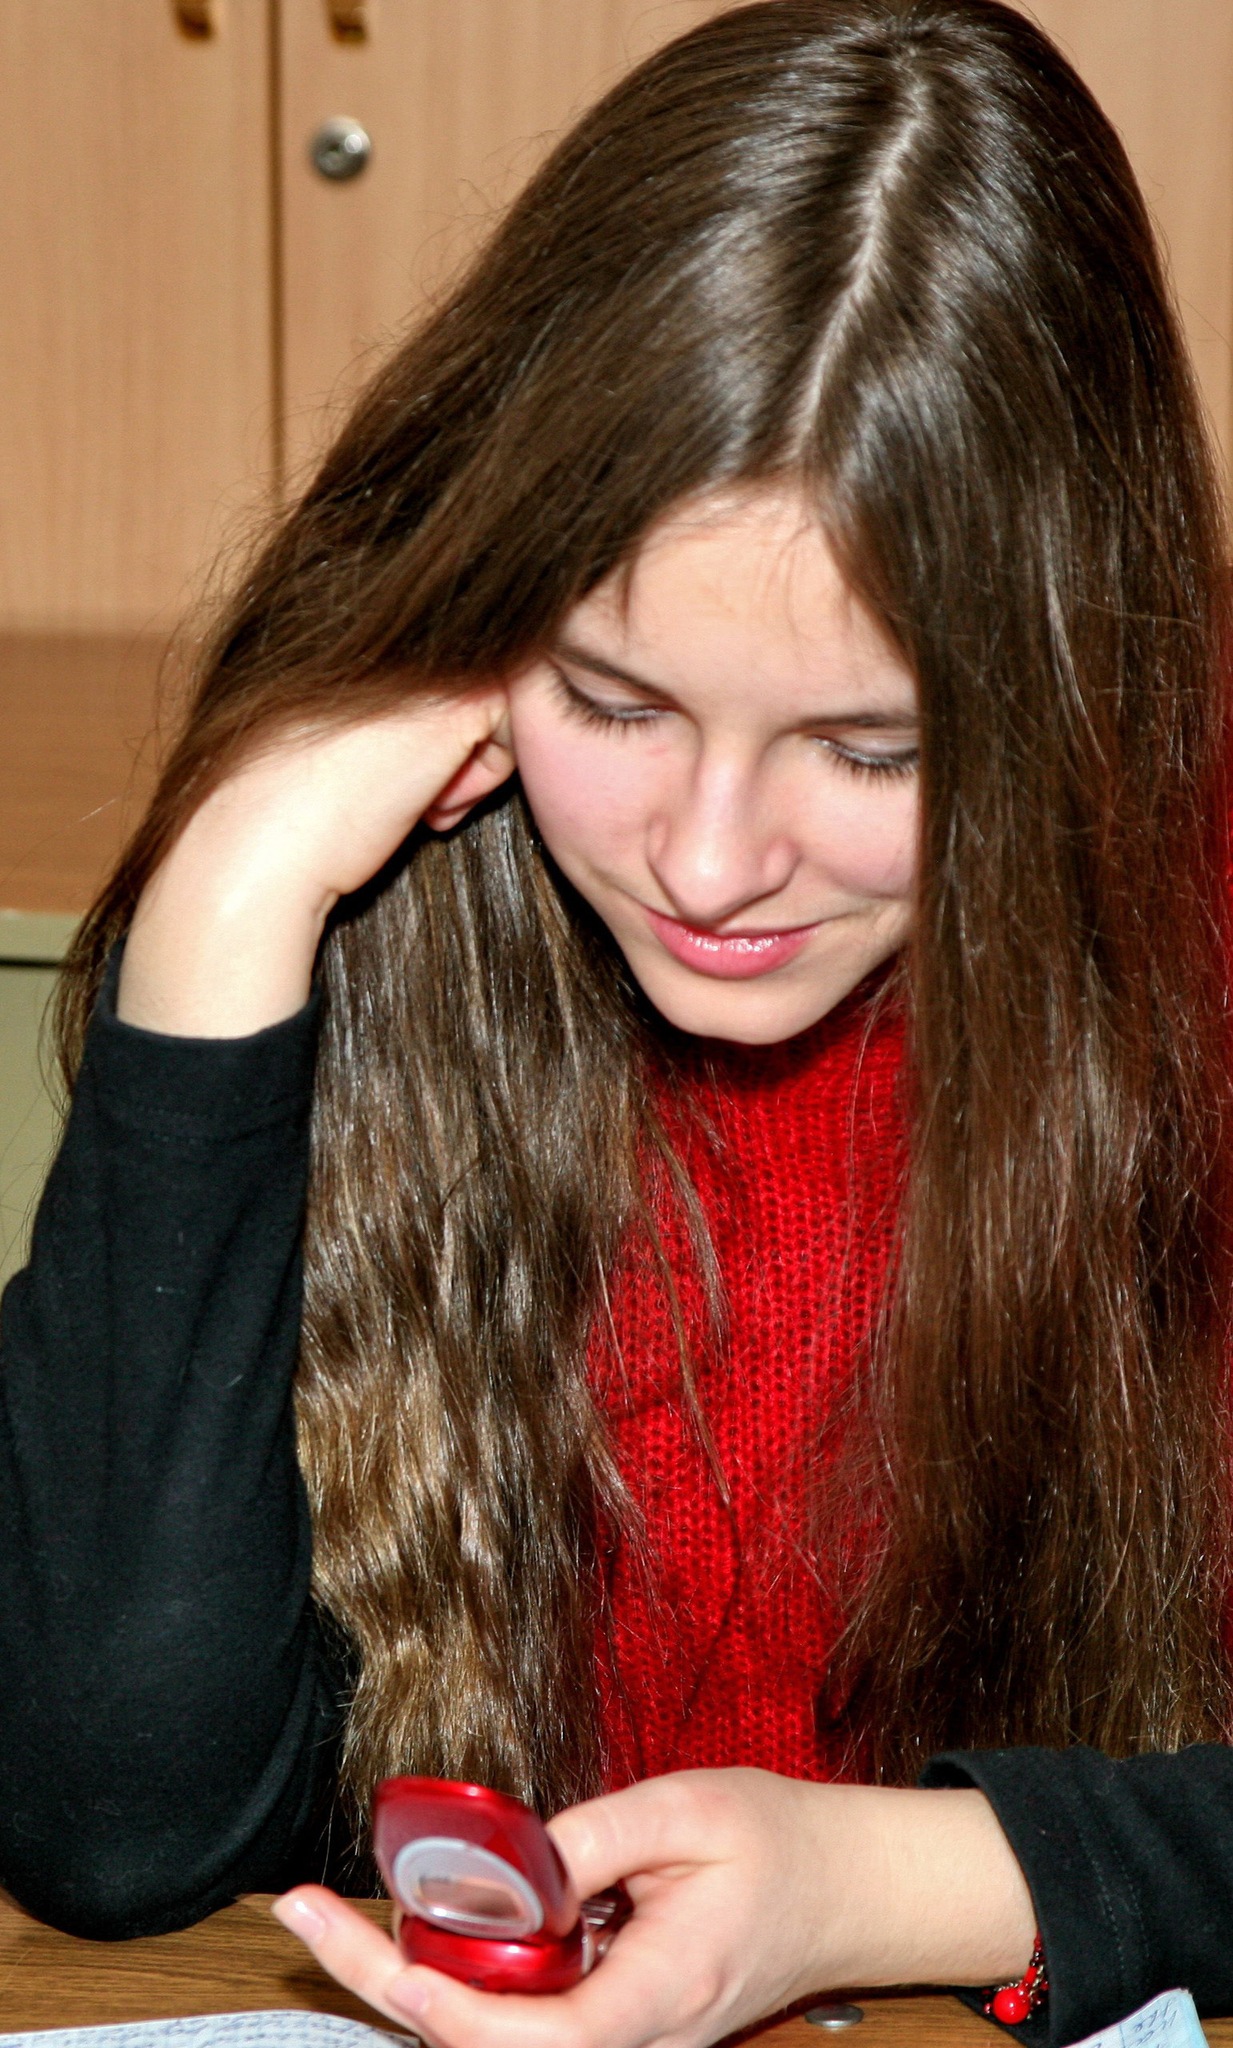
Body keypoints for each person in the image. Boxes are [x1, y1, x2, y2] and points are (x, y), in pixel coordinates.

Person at [3, 1, 1233, 2044]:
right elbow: (116, 1818)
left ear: (1073, 689)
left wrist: (885, 1881)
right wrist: (220, 917)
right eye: (609, 698)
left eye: (868, 745)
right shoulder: (368, 867)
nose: (709, 860)